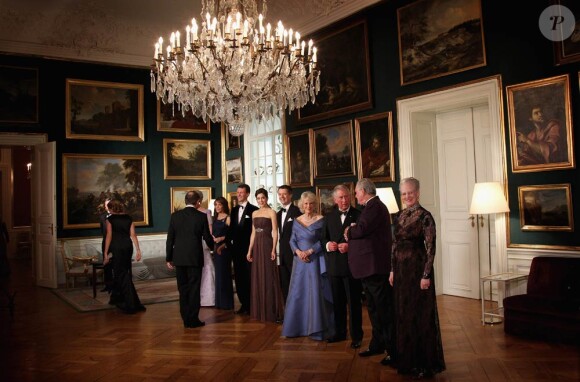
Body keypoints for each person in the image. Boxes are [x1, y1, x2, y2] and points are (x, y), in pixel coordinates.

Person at [389, 177, 445, 379]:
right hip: (401, 273)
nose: (406, 197)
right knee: (404, 315)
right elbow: (394, 245)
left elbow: (431, 249)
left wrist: (426, 275)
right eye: (403, 193)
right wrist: (392, 270)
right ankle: (407, 360)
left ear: (418, 193)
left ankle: (424, 363)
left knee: (420, 316)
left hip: (418, 271)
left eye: (410, 193)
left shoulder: (425, 217)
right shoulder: (399, 216)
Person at [344, 178, 395, 366]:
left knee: (383, 310)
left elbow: (362, 230)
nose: (355, 196)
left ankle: (393, 350)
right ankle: (378, 344)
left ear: (364, 191)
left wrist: (350, 230)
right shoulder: (370, 207)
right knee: (374, 309)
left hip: (375, 268)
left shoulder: (374, 207)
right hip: (368, 269)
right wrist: (353, 229)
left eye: (356, 192)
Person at [282, 191, 334, 340]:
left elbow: (323, 240)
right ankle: (297, 328)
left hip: (315, 260)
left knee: (315, 292)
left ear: (315, 204)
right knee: (299, 292)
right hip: (300, 262)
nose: (308, 206)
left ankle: (316, 328)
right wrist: (298, 252)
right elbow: (292, 240)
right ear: (301, 205)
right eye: (305, 203)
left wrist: (310, 251)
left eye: (311, 203)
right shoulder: (296, 220)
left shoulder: (322, 220)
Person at [321, 184, 363, 349]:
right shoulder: (329, 217)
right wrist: (328, 245)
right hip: (334, 267)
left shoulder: (359, 215)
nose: (344, 200)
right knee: (337, 303)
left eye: (346, 196)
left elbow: (363, 242)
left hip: (352, 268)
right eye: (341, 197)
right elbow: (322, 238)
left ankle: (357, 337)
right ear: (335, 199)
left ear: (350, 197)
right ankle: (339, 333)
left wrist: (349, 246)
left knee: (354, 304)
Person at [166, 191, 214, 328]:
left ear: (186, 201)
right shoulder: (201, 216)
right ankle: (192, 319)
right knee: (194, 289)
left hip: (179, 258)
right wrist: (213, 248)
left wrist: (169, 258)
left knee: (183, 289)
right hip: (194, 258)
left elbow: (170, 239)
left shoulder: (175, 216)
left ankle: (185, 317)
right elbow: (207, 237)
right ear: (197, 202)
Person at [246, 188, 284, 322]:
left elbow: (275, 232)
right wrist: (249, 250)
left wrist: (274, 249)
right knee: (258, 275)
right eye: (258, 198)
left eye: (263, 198)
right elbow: (253, 233)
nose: (260, 200)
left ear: (267, 198)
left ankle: (271, 310)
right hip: (257, 247)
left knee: (269, 276)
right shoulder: (254, 213)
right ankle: (260, 309)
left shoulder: (272, 212)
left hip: (267, 245)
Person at [103, 199, 146, 314]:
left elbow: (109, 236)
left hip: (117, 247)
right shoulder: (128, 218)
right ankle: (118, 299)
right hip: (128, 247)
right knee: (123, 273)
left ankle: (131, 304)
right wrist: (138, 250)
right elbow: (133, 235)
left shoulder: (110, 219)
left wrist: (105, 253)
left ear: (112, 208)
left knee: (121, 274)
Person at [224, 184, 258, 314]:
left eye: (241, 193)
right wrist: (228, 243)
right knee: (238, 278)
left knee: (249, 278)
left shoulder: (253, 210)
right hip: (236, 251)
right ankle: (243, 304)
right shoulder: (233, 210)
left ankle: (251, 305)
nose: (238, 194)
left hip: (249, 250)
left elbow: (254, 232)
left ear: (247, 194)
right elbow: (231, 229)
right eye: (237, 192)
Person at [276, 185, 301, 302]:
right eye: (280, 194)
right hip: (282, 254)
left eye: (284, 194)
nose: (282, 196)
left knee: (296, 283)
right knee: (284, 284)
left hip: (294, 253)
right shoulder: (278, 213)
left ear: (290, 195)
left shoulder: (297, 211)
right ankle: (288, 312)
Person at [212, 197, 234, 310]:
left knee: (224, 274)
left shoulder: (228, 218)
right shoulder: (214, 218)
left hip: (224, 249)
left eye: (219, 205)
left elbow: (232, 235)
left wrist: (221, 238)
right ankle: (219, 302)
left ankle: (227, 303)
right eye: (216, 205)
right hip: (215, 248)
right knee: (218, 275)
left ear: (224, 205)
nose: (217, 207)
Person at [195, 191, 215, 307]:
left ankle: (207, 298)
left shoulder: (207, 212)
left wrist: (210, 244)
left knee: (206, 269)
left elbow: (210, 230)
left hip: (203, 243)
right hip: (200, 243)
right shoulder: (205, 212)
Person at [99, 198, 113, 292]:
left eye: (108, 204)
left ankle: (118, 284)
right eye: (105, 205)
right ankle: (108, 285)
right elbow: (103, 230)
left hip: (116, 242)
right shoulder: (102, 216)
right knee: (106, 264)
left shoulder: (118, 216)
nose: (107, 206)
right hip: (106, 242)